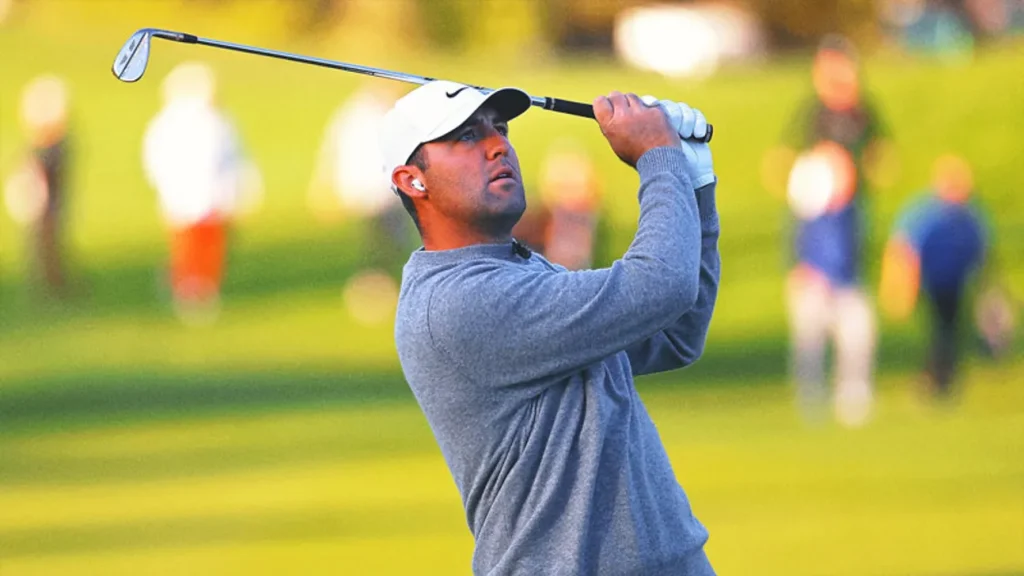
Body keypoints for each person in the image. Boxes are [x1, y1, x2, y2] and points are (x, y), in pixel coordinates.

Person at [382, 81, 720, 574]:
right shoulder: (456, 302)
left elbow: (674, 333)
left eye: (500, 128)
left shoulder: (520, 270)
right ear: (413, 180)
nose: (497, 145)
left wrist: (694, 182)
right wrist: (658, 157)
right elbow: (660, 284)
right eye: (466, 136)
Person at [771, 34, 893, 427]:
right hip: (813, 231)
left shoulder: (862, 113)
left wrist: (860, 174)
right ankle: (811, 394)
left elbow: (882, 158)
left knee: (856, 322)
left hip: (848, 229)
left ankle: (853, 393)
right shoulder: (813, 114)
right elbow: (783, 163)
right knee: (809, 324)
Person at [142, 61, 261, 324]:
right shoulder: (172, 123)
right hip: (183, 195)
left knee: (210, 246)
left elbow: (235, 159)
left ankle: (202, 289)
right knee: (187, 245)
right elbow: (157, 160)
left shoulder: (220, 122)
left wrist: (240, 190)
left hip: (214, 195)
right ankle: (187, 289)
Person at [879, 154, 995, 397]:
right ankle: (935, 377)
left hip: (956, 282)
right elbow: (904, 248)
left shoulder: (969, 214)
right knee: (940, 329)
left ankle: (942, 377)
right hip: (930, 282)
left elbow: (981, 249)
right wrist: (901, 285)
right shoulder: (926, 213)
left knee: (950, 329)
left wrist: (985, 283)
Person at [307, 82, 414, 325]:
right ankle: (372, 294)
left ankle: (379, 289)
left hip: (383, 192)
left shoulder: (367, 115)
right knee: (379, 245)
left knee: (390, 244)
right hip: (372, 192)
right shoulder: (362, 117)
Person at [3, 74, 73, 299]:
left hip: (49, 203)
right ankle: (48, 286)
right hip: (42, 203)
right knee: (42, 243)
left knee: (48, 242)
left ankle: (53, 285)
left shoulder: (53, 150)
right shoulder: (43, 151)